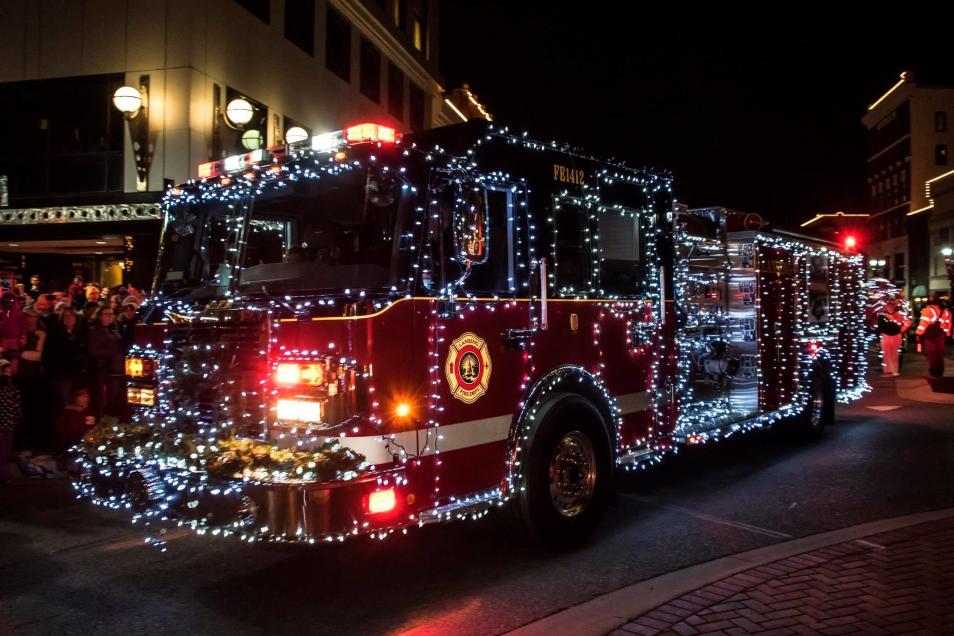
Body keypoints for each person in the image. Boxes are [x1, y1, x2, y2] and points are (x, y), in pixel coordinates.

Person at [44, 307, 87, 408]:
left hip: (77, 374)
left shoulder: (80, 334)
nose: (68, 318)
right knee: (63, 402)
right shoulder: (55, 335)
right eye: (65, 316)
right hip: (62, 375)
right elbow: (48, 355)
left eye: (71, 315)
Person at [87, 306, 125, 418]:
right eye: (106, 314)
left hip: (117, 368)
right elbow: (92, 350)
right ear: (100, 316)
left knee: (115, 396)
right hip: (104, 369)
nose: (110, 316)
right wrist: (111, 352)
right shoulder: (94, 330)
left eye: (111, 314)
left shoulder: (114, 328)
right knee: (104, 398)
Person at [916, 292, 953, 378]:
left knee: (932, 355)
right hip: (941, 335)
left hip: (930, 336)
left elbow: (923, 324)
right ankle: (940, 372)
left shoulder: (927, 310)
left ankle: (934, 372)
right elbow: (949, 323)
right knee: (940, 355)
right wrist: (947, 334)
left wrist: (918, 334)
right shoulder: (946, 310)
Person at [55, 388, 95, 455]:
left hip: (87, 451)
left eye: (87, 396)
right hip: (70, 452)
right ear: (75, 398)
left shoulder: (89, 412)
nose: (85, 399)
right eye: (82, 396)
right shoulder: (66, 414)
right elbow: (63, 435)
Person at [0, 358, 21, 485]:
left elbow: (16, 405)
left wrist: (16, 417)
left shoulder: (12, 388)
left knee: (5, 451)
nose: (8, 375)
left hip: (9, 425)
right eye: (5, 372)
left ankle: (4, 475)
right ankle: (3, 476)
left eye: (9, 372)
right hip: (3, 426)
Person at [878, 299, 910, 376]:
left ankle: (895, 371)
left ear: (894, 306)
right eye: (888, 306)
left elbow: (908, 322)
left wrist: (901, 330)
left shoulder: (899, 315)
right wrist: (878, 340)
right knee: (886, 355)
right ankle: (887, 371)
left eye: (891, 306)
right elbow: (879, 328)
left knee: (895, 354)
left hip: (896, 337)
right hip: (886, 337)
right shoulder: (882, 316)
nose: (890, 307)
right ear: (886, 307)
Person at [0, 291, 25, 373]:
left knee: (13, 364)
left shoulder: (19, 314)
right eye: (5, 302)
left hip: (14, 342)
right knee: (4, 364)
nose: (8, 304)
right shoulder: (1, 314)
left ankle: (12, 381)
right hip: (3, 342)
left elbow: (23, 327)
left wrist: (23, 338)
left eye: (10, 301)